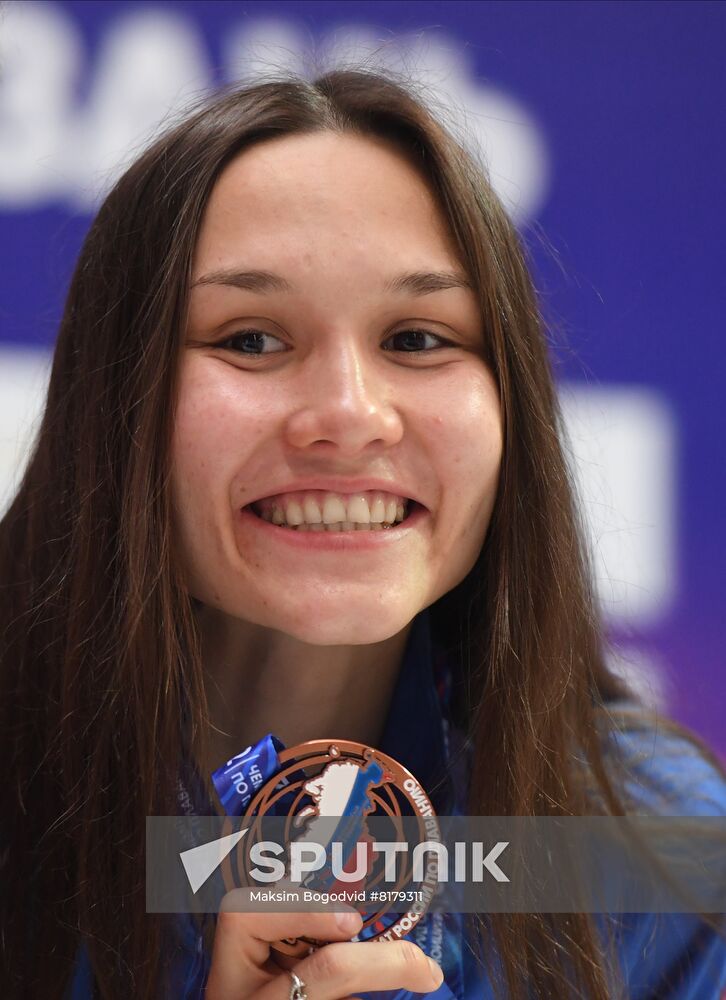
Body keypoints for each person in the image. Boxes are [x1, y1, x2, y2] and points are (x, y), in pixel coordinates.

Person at [0, 69, 724, 1000]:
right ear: (114, 398)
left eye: (418, 339)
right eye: (251, 339)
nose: (349, 414)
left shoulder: (650, 850)